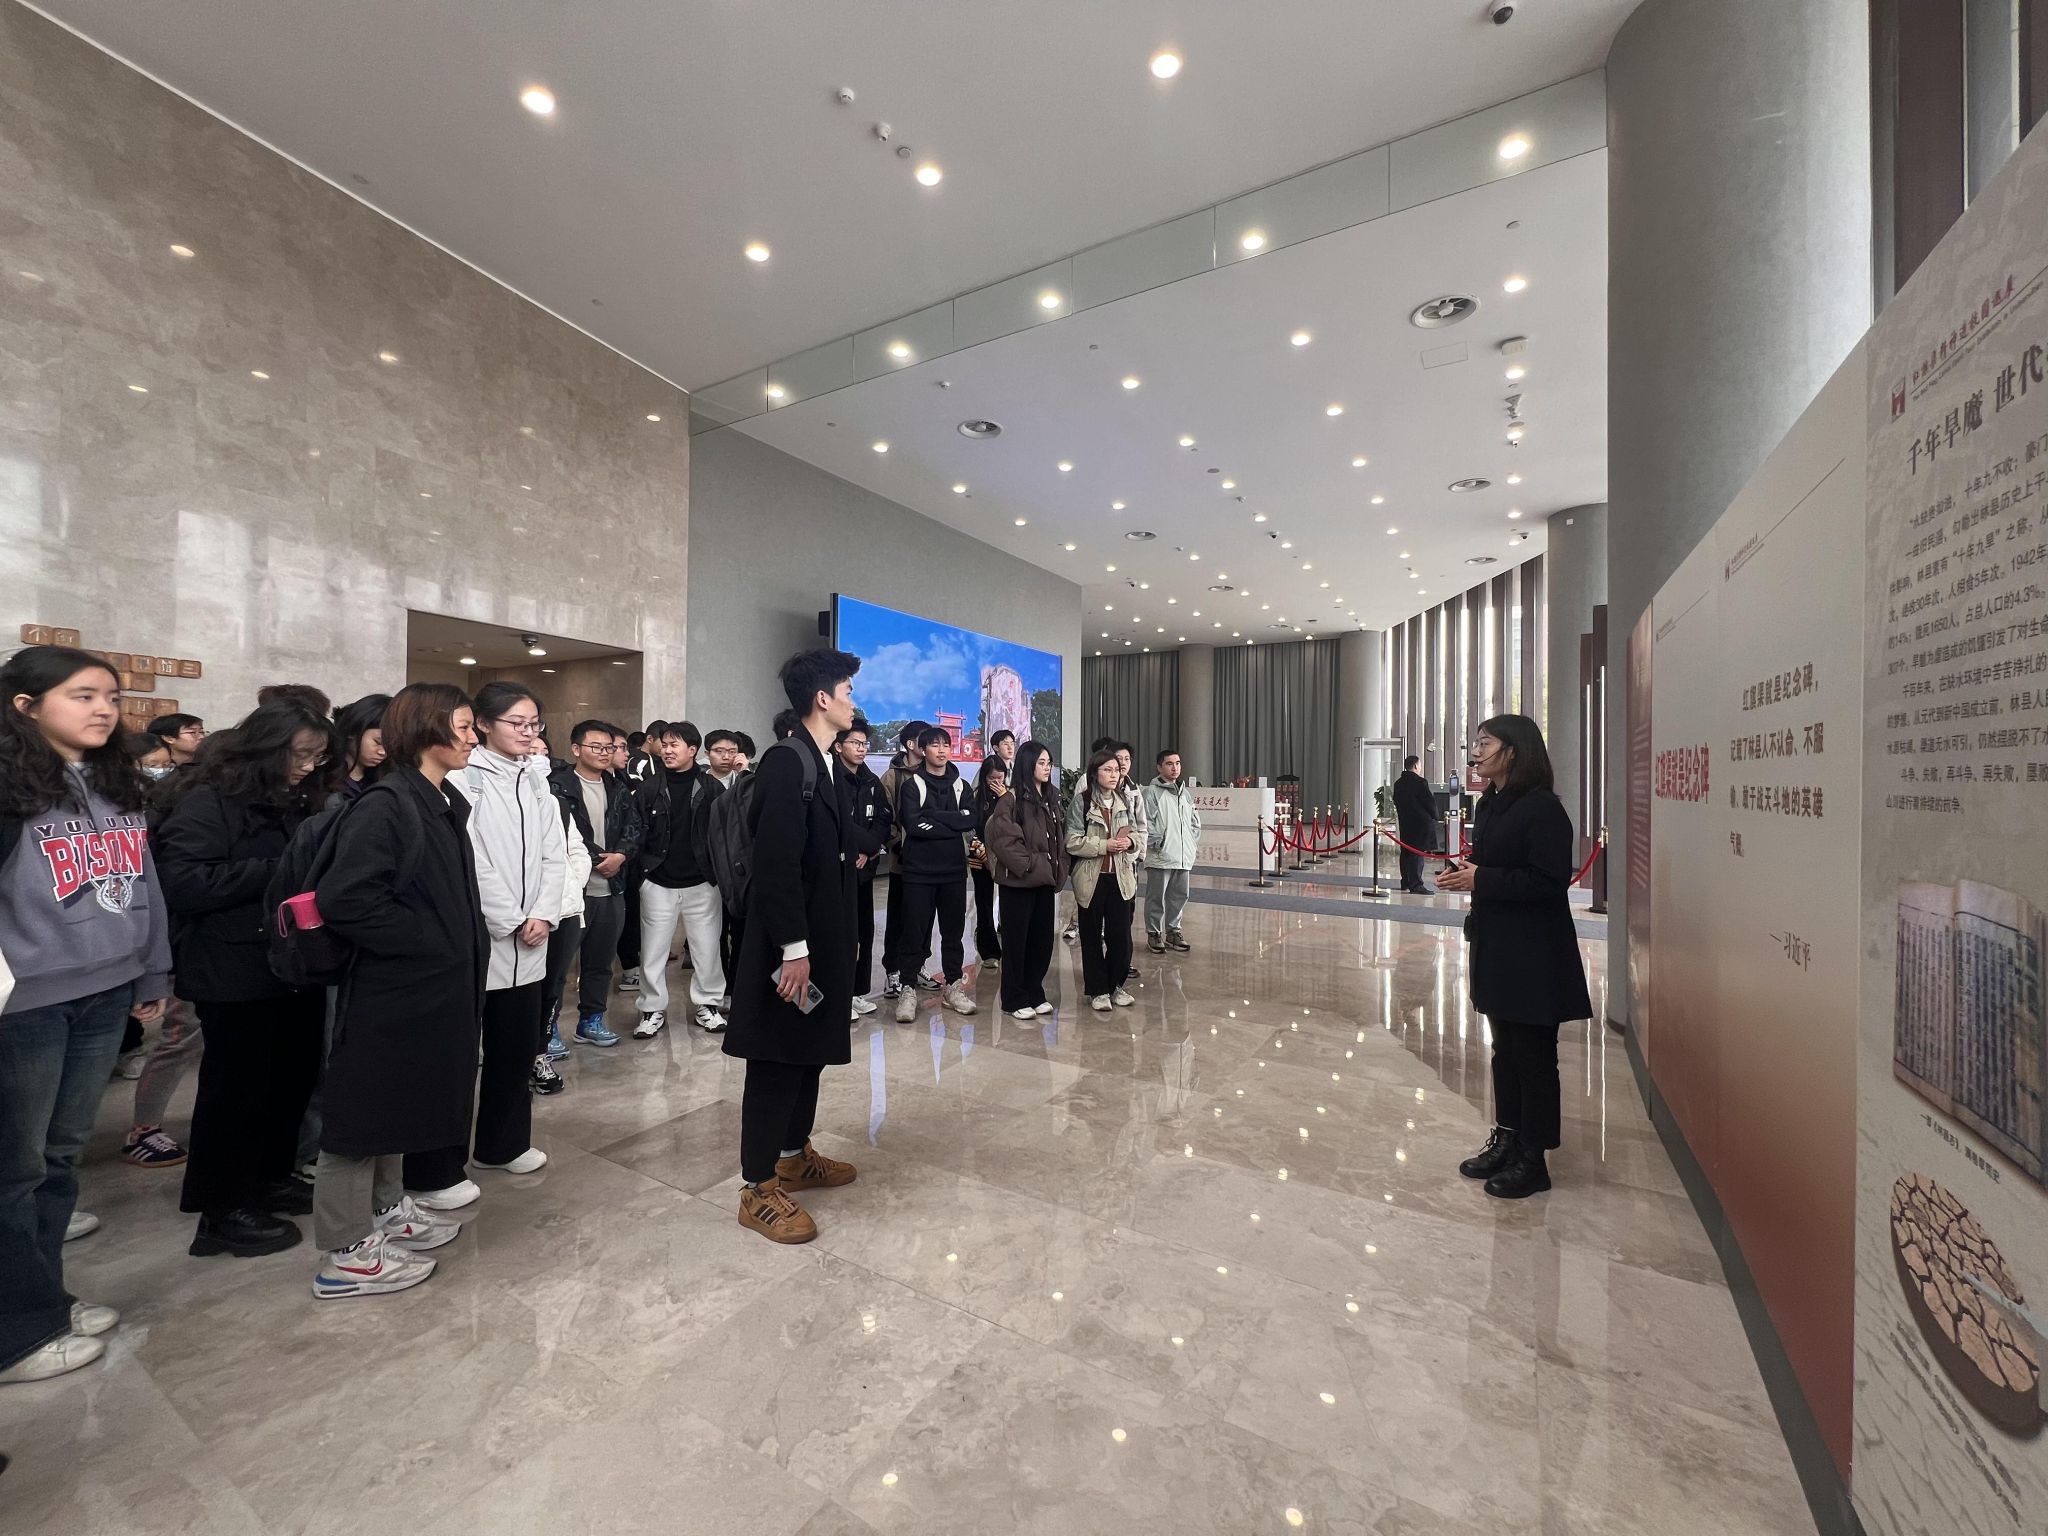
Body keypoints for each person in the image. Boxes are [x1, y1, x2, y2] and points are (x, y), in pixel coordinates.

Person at [0, 646, 171, 1383]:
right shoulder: (9, 785)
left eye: (112, 696)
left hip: (106, 989)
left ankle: (43, 1300)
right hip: (26, 1000)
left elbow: (144, 880)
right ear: (26, 705)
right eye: (83, 695)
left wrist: (154, 967)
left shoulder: (114, 780)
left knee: (60, 1158)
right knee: (15, 1167)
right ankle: (14, 1333)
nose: (104, 709)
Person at [308, 682, 487, 1296]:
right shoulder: (387, 805)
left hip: (429, 987)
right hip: (393, 988)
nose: (472, 738)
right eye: (462, 726)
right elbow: (347, 900)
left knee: (397, 1108)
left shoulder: (438, 798)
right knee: (362, 1116)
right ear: (425, 730)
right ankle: (345, 1253)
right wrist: (432, 941)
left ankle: (384, 1210)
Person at [155, 697, 340, 1258]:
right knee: (236, 1091)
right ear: (266, 747)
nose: (307, 767)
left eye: (317, 757)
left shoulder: (294, 797)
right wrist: (283, 872)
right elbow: (185, 882)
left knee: (290, 1080)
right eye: (300, 755)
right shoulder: (208, 798)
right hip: (231, 966)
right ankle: (222, 1208)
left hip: (291, 962)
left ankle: (270, 1177)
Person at [397, 679, 563, 1198]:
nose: (528, 733)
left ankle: (503, 1144)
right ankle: (437, 1168)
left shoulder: (537, 779)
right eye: (517, 723)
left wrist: (544, 913)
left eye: (534, 724)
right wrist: (511, 918)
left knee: (516, 1050)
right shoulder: (463, 778)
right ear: (484, 725)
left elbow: (555, 852)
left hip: (532, 941)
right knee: (455, 1059)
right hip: (481, 939)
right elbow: (470, 859)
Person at [725, 649, 862, 1245]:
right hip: (791, 943)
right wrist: (794, 948)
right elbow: (777, 864)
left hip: (820, 939)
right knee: (777, 1058)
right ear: (822, 699)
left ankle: (792, 1156)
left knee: (807, 1051)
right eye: (847, 691)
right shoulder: (788, 761)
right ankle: (757, 1187)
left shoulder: (822, 760)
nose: (853, 701)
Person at [1435, 714, 1593, 1201]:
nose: (1476, 752)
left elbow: (1548, 881)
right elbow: (1496, 866)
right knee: (1504, 1050)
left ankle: (1533, 1157)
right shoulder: (1491, 804)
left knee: (1534, 1055)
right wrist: (1469, 872)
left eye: (1485, 744)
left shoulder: (1543, 809)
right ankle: (1506, 1137)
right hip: (1497, 945)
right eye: (1476, 743)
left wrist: (1481, 878)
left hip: (1533, 952)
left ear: (1514, 751)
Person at [547, 721, 640, 1051]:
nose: (605, 753)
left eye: (609, 747)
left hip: (611, 889)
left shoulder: (618, 787)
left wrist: (621, 856)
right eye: (596, 747)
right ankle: (548, 1028)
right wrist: (598, 858)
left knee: (601, 963)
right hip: (573, 890)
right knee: (557, 966)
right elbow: (558, 835)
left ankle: (591, 1021)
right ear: (576, 749)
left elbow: (634, 827)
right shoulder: (557, 787)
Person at [631, 720, 726, 1034]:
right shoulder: (649, 788)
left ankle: (708, 1005)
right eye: (665, 744)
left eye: (674, 745)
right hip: (658, 880)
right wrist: (642, 875)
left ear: (692, 750)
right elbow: (637, 832)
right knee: (653, 951)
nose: (667, 750)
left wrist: (719, 875)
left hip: (702, 881)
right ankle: (651, 1010)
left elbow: (723, 835)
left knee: (707, 949)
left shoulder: (711, 788)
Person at [893, 726, 978, 1021]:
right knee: (914, 932)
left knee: (953, 933)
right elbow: (913, 825)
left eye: (946, 745)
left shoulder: (961, 786)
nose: (941, 750)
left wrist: (934, 817)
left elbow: (970, 819)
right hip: (918, 872)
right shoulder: (912, 785)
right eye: (935, 745)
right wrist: (952, 822)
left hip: (953, 871)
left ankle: (953, 986)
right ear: (923, 749)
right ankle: (907, 988)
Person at [985, 740, 1068, 1019]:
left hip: (1044, 880)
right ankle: (1014, 998)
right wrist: (1030, 865)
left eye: (1049, 763)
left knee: (1041, 941)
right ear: (1028, 764)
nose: (1047, 768)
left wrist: (1058, 867)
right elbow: (1005, 841)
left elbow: (1059, 838)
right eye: (1041, 763)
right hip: (1019, 883)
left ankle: (1035, 992)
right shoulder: (1011, 800)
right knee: (1016, 943)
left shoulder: (1052, 797)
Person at [531, 726, 588, 1097]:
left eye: (541, 753)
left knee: (551, 988)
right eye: (528, 752)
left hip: (564, 911)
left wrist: (570, 883)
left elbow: (576, 850)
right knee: (520, 992)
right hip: (525, 916)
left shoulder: (556, 802)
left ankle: (538, 1054)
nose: (536, 759)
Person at [1067, 748, 1138, 1013]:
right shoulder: (1082, 802)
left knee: (1121, 938)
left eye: (1116, 770)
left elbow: (1137, 832)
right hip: (1091, 878)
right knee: (1091, 937)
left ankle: (1115, 985)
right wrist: (1103, 845)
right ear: (1094, 773)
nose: (1114, 774)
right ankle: (1098, 990)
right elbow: (1072, 841)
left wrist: (1130, 842)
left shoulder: (1124, 800)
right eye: (1107, 769)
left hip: (1120, 877)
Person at [834, 718, 891, 1019]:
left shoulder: (871, 781)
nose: (861, 749)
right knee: (839, 934)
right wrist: (860, 847)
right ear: (838, 746)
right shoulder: (830, 778)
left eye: (864, 744)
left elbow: (883, 818)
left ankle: (857, 992)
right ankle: (839, 996)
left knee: (863, 933)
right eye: (855, 743)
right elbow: (839, 821)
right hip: (838, 869)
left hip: (864, 869)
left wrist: (869, 851)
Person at [876, 721, 929, 996]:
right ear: (910, 744)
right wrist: (897, 844)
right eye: (926, 740)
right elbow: (884, 818)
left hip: (931, 863)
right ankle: (893, 972)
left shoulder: (936, 772)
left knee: (924, 918)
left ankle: (918, 966)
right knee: (898, 917)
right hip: (903, 862)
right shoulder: (891, 777)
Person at [1142, 747, 1201, 953]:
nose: (1174, 768)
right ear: (1159, 767)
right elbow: (1145, 822)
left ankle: (1173, 932)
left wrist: (1191, 843)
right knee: (1156, 897)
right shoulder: (1151, 793)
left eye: (1177, 763)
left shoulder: (1185, 793)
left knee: (1179, 896)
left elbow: (1194, 822)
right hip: (1161, 856)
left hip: (1182, 856)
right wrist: (1158, 843)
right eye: (1169, 764)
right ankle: (1154, 932)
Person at [969, 758, 1008, 967]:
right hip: (980, 856)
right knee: (983, 903)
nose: (996, 782)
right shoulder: (975, 796)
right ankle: (989, 950)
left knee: (1009, 902)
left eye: (1000, 778)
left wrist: (1005, 798)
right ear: (984, 778)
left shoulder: (1010, 796)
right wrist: (982, 852)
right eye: (992, 778)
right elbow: (969, 828)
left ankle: (1010, 946)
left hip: (1005, 857)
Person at [333, 694, 390, 803]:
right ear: (353, 731)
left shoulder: (387, 780)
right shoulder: (323, 778)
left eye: (390, 745)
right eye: (377, 742)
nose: (383, 752)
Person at [1393, 753, 1436, 894]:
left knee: (1406, 852)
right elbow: (1429, 802)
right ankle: (1416, 884)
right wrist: (1435, 816)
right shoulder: (1420, 782)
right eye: (1420, 765)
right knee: (1417, 853)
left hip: (1405, 822)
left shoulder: (1398, 783)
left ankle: (1405, 881)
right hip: (1420, 824)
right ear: (1416, 766)